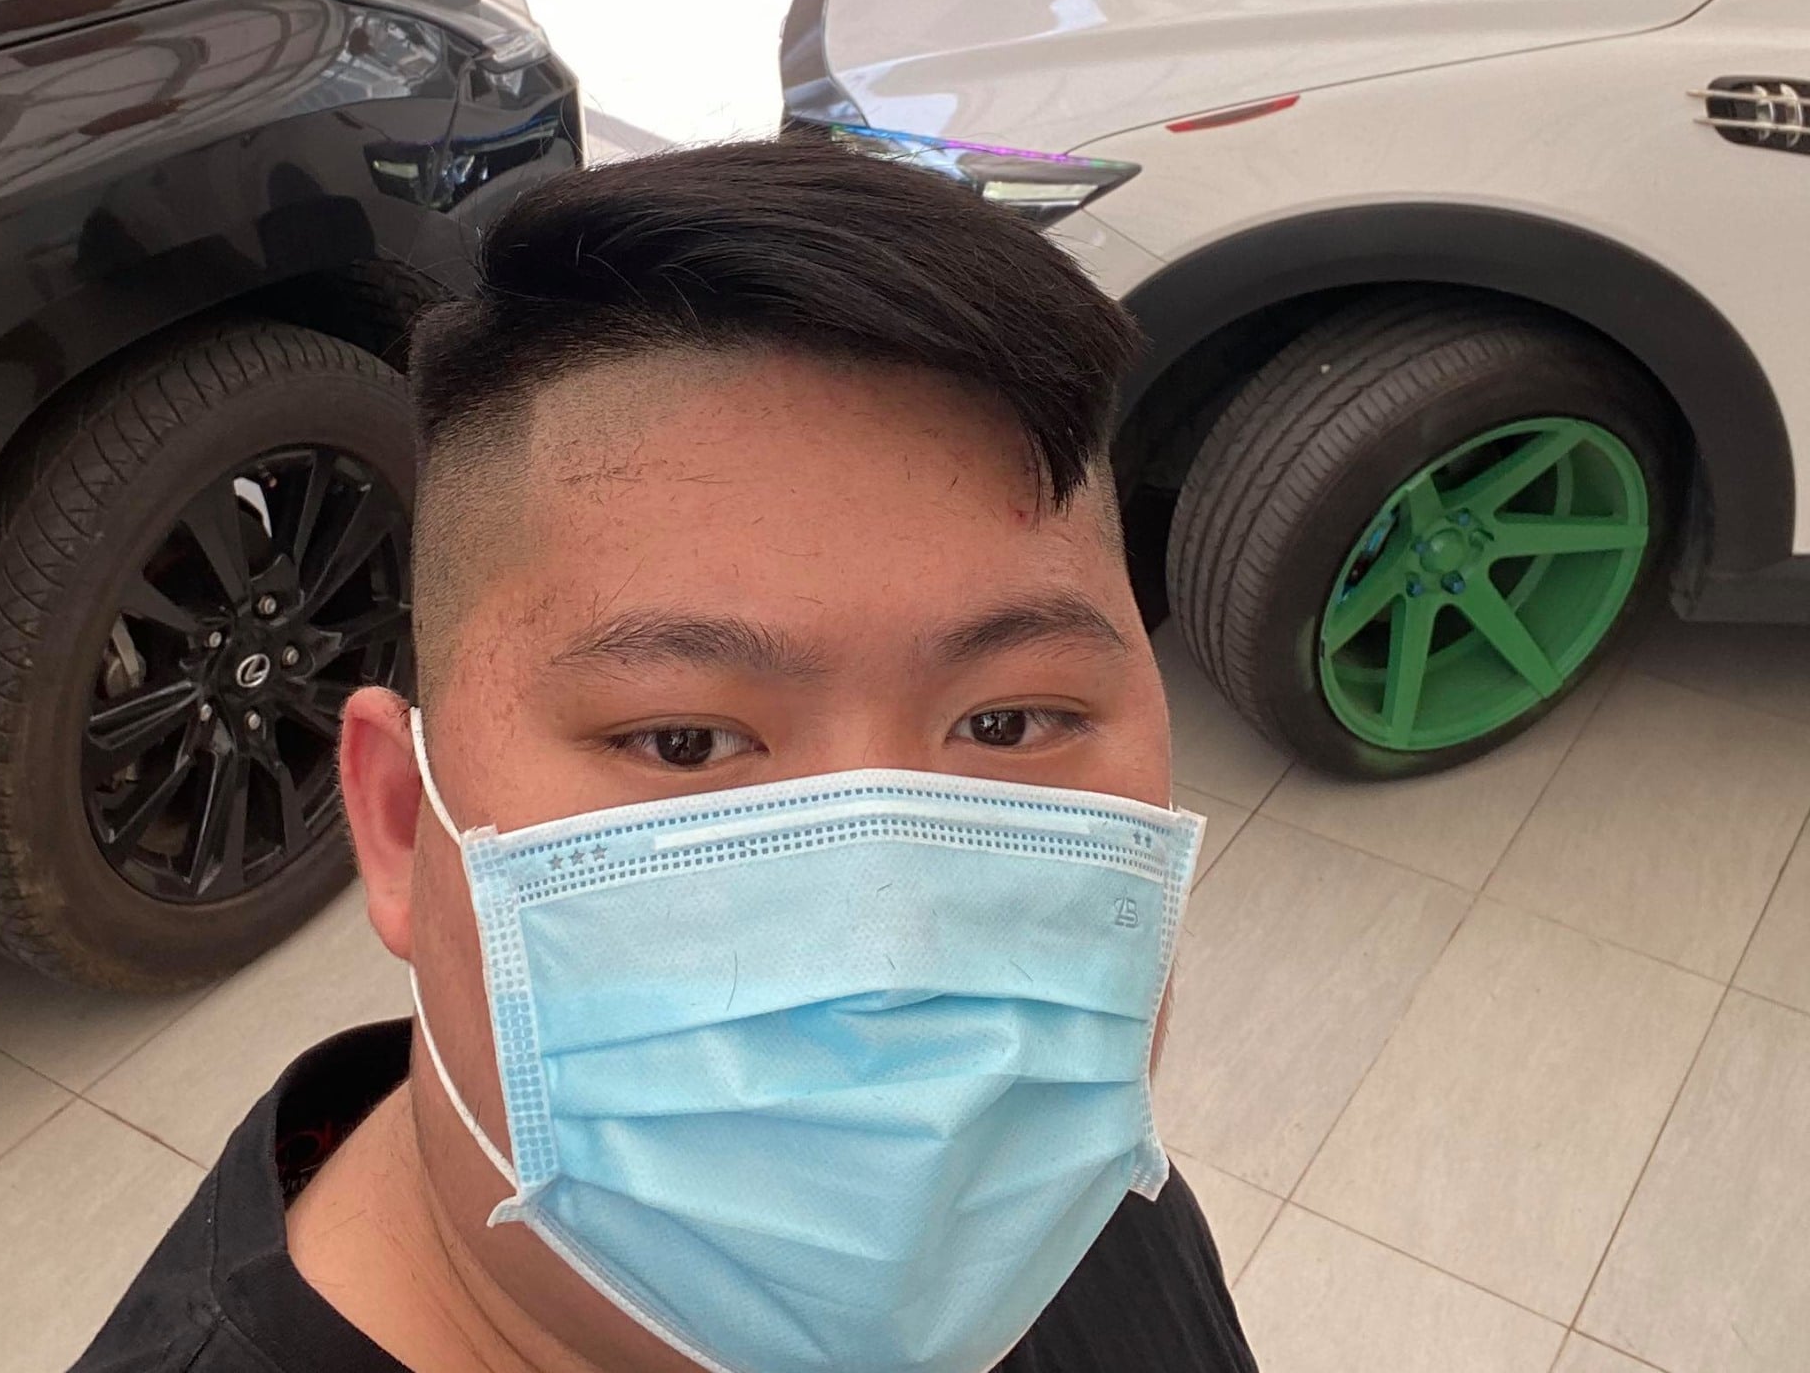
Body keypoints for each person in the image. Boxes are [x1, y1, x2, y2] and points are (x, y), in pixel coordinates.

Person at [73, 138, 1256, 1373]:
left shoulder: (1070, 1206)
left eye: (1005, 723)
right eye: (684, 741)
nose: (890, 950)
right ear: (399, 819)